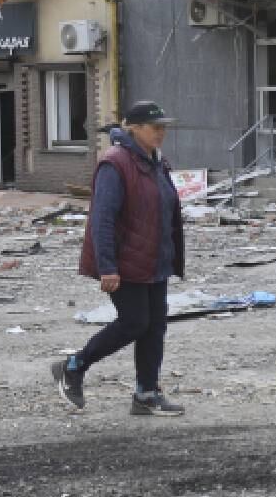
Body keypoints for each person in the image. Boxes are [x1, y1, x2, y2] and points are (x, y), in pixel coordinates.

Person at [51, 101, 186, 416]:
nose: (161, 132)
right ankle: (73, 366)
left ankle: (146, 394)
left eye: (164, 127)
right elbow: (102, 220)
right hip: (125, 263)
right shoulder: (115, 164)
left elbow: (165, 212)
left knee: (154, 327)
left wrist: (171, 257)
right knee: (134, 322)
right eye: (156, 127)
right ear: (134, 128)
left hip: (155, 261)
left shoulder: (156, 163)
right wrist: (107, 266)